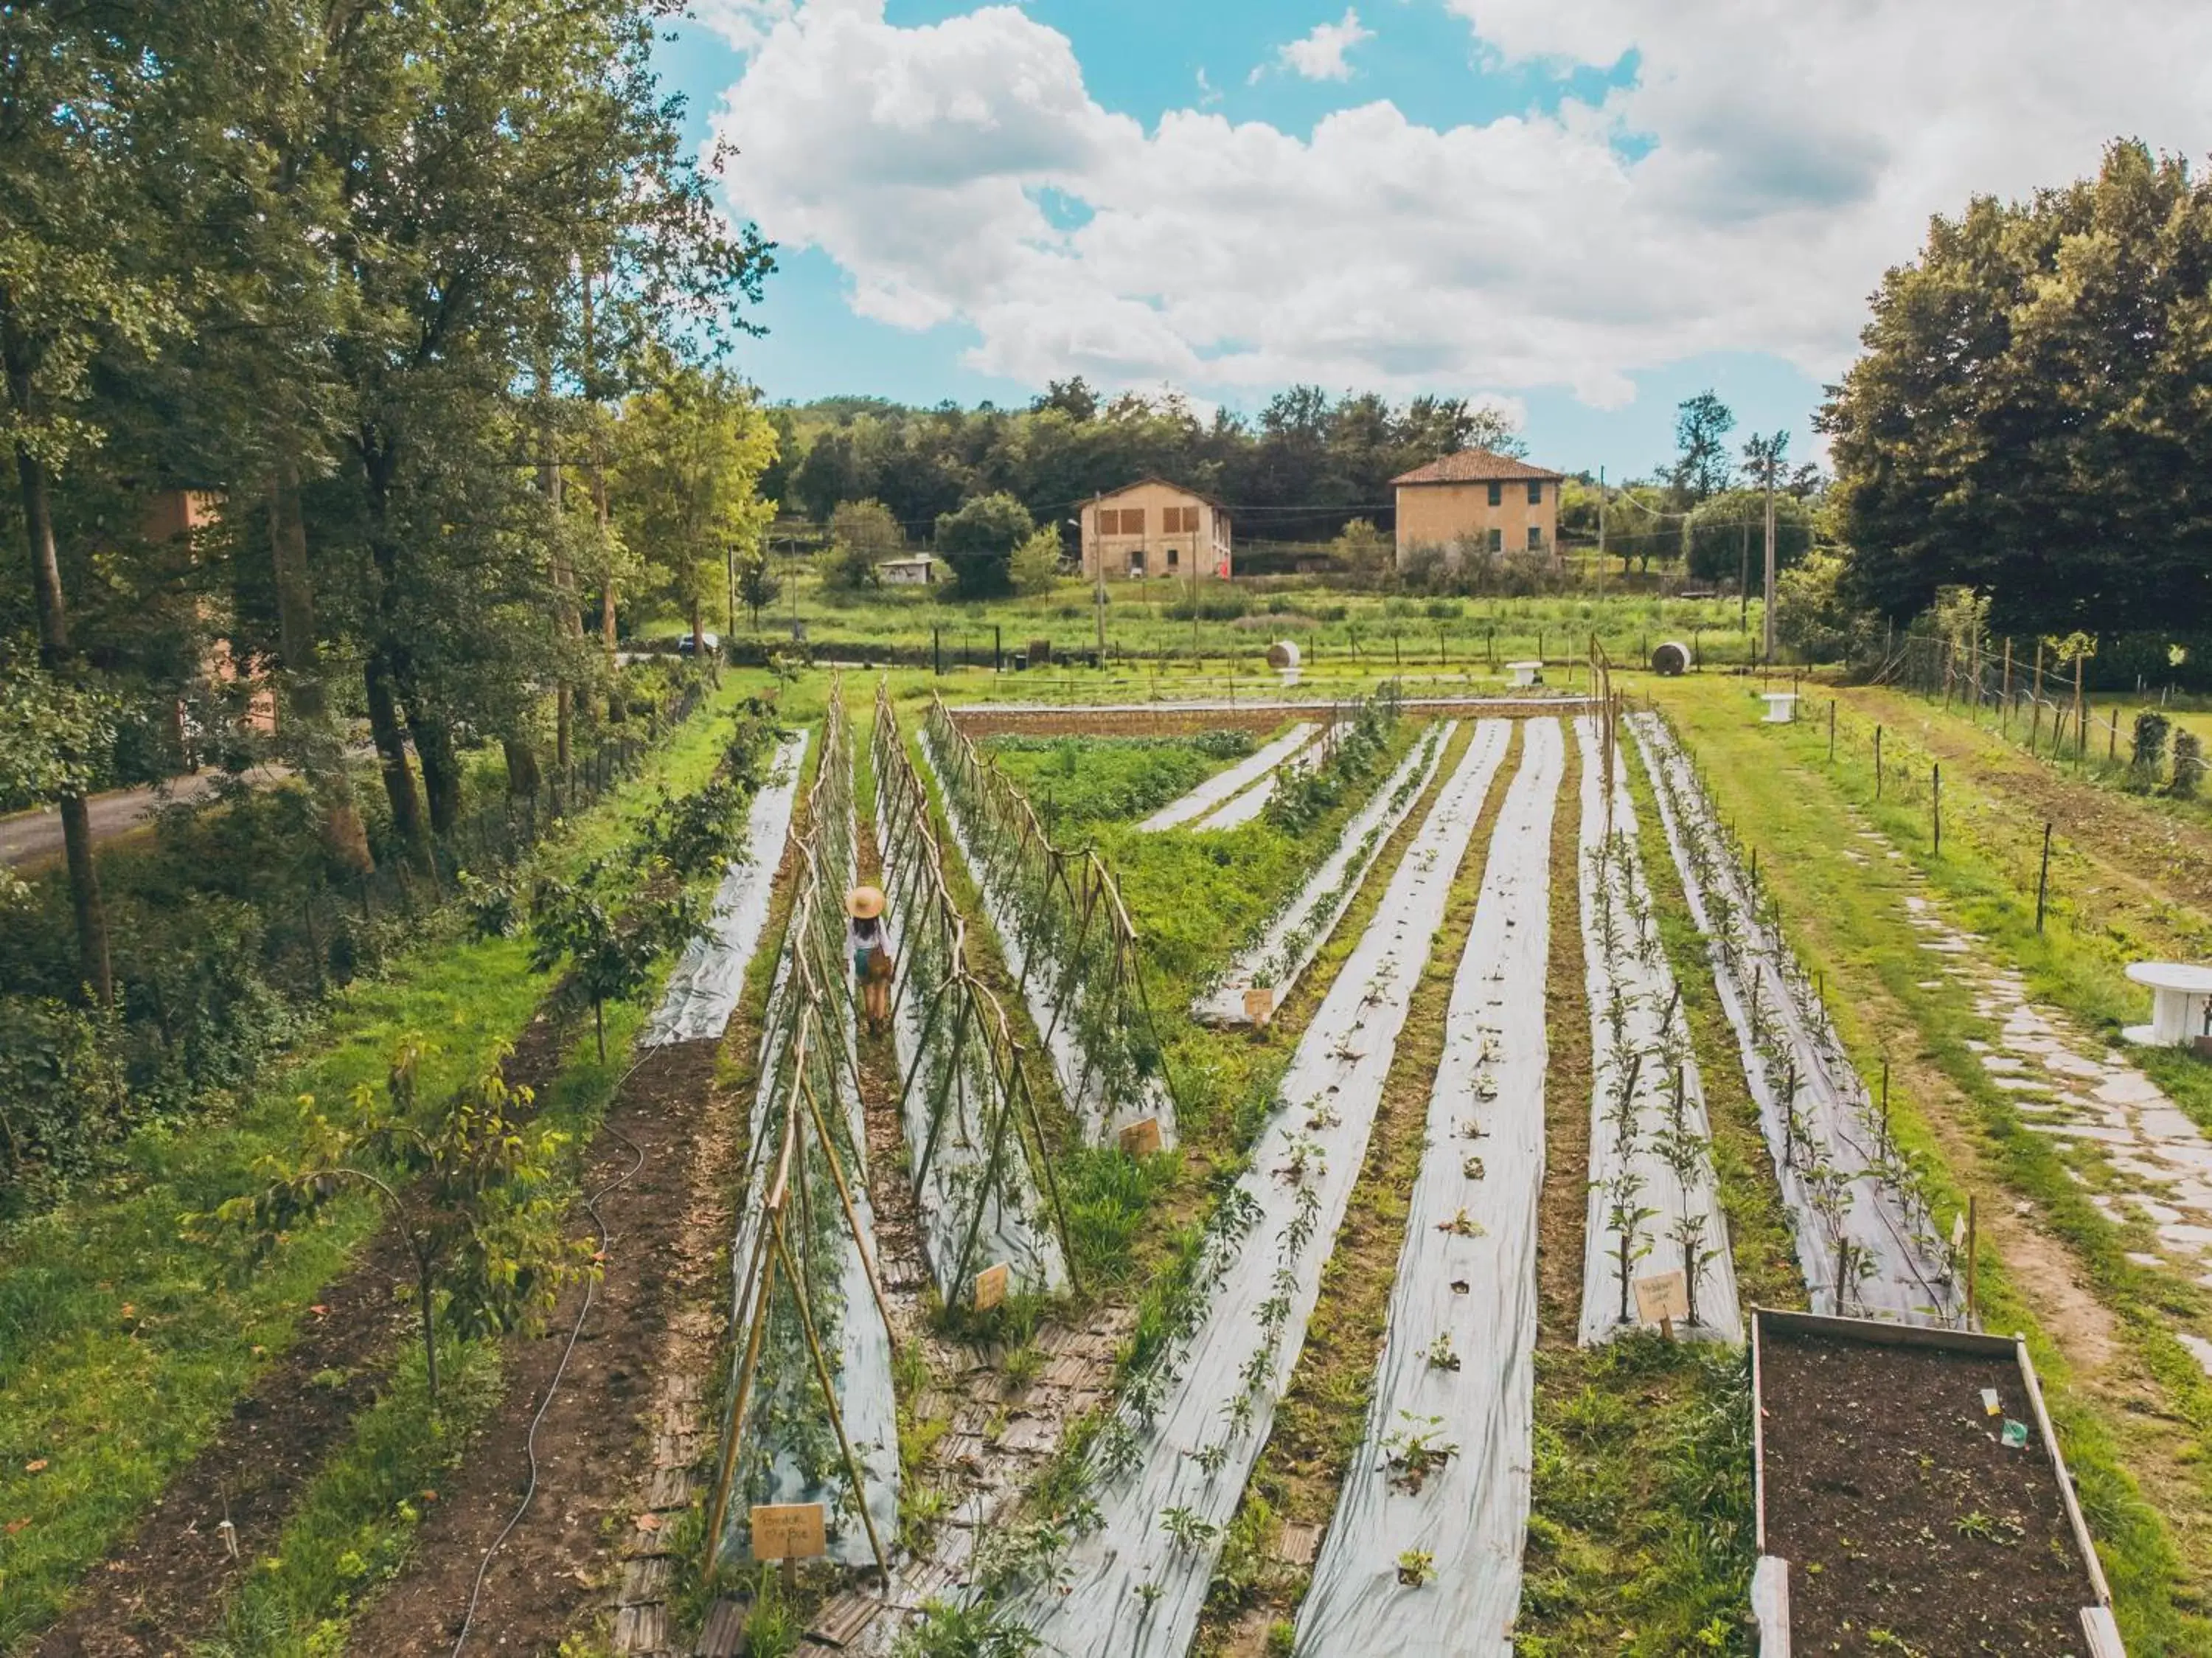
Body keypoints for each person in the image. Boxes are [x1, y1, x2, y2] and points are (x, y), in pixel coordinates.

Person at [847, 885, 891, 1033]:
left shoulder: (853, 924)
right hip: (877, 957)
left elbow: (849, 944)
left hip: (861, 958)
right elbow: (885, 941)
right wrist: (889, 959)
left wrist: (846, 960)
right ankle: (880, 1022)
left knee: (868, 992)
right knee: (881, 991)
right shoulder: (877, 921)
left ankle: (871, 1024)